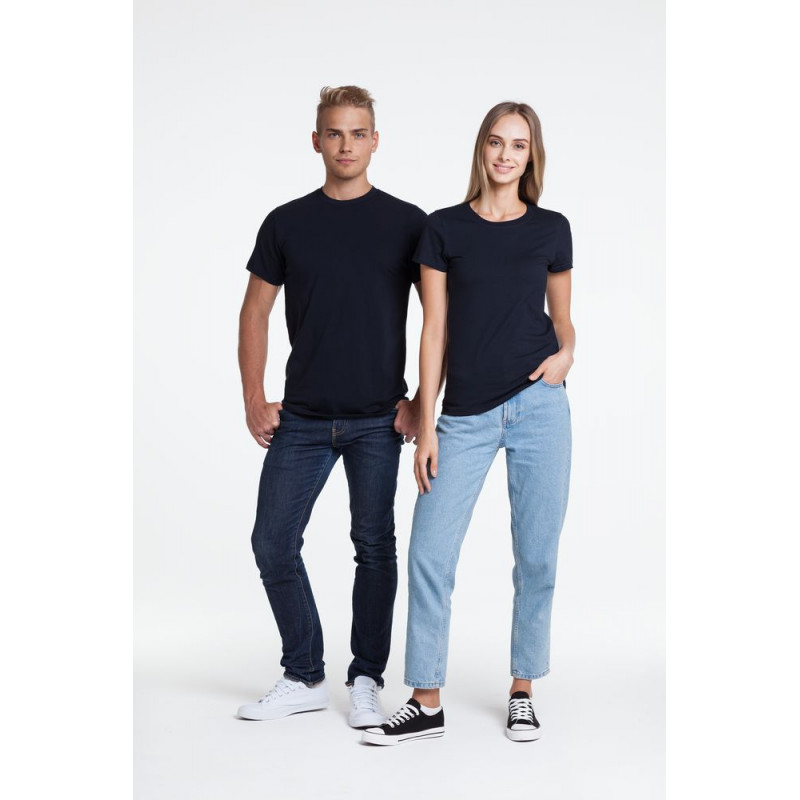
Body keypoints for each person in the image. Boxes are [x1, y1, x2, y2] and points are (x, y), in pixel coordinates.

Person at [362, 102, 574, 746]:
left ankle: (522, 690)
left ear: (531, 155)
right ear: (481, 149)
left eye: (519, 145)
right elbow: (433, 331)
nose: (506, 155)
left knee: (536, 556)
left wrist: (566, 353)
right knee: (429, 553)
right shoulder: (443, 229)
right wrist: (426, 423)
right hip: (465, 414)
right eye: (496, 142)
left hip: (540, 406)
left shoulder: (552, 228)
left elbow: (563, 319)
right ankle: (425, 700)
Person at [237, 86, 426, 728]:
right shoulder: (286, 222)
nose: (347, 144)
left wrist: (421, 401)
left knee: (374, 545)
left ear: (376, 140)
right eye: (335, 133)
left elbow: (441, 319)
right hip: (304, 418)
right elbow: (255, 311)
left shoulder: (407, 223)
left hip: (378, 419)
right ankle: (304, 673)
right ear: (316, 141)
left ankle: (367, 677)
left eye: (358, 132)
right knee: (272, 543)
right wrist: (253, 397)